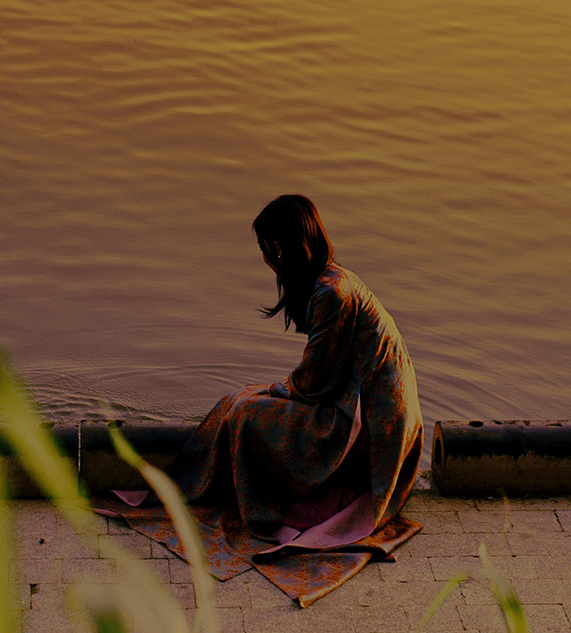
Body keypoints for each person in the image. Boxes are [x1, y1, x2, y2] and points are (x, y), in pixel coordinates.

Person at [169, 195, 423, 548]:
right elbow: (319, 374)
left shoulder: (332, 292)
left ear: (280, 247)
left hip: (372, 425)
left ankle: (265, 505)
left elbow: (314, 380)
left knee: (246, 413)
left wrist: (278, 390)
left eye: (266, 247)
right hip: (355, 404)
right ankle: (190, 490)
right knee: (235, 400)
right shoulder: (328, 281)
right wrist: (279, 389)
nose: (265, 258)